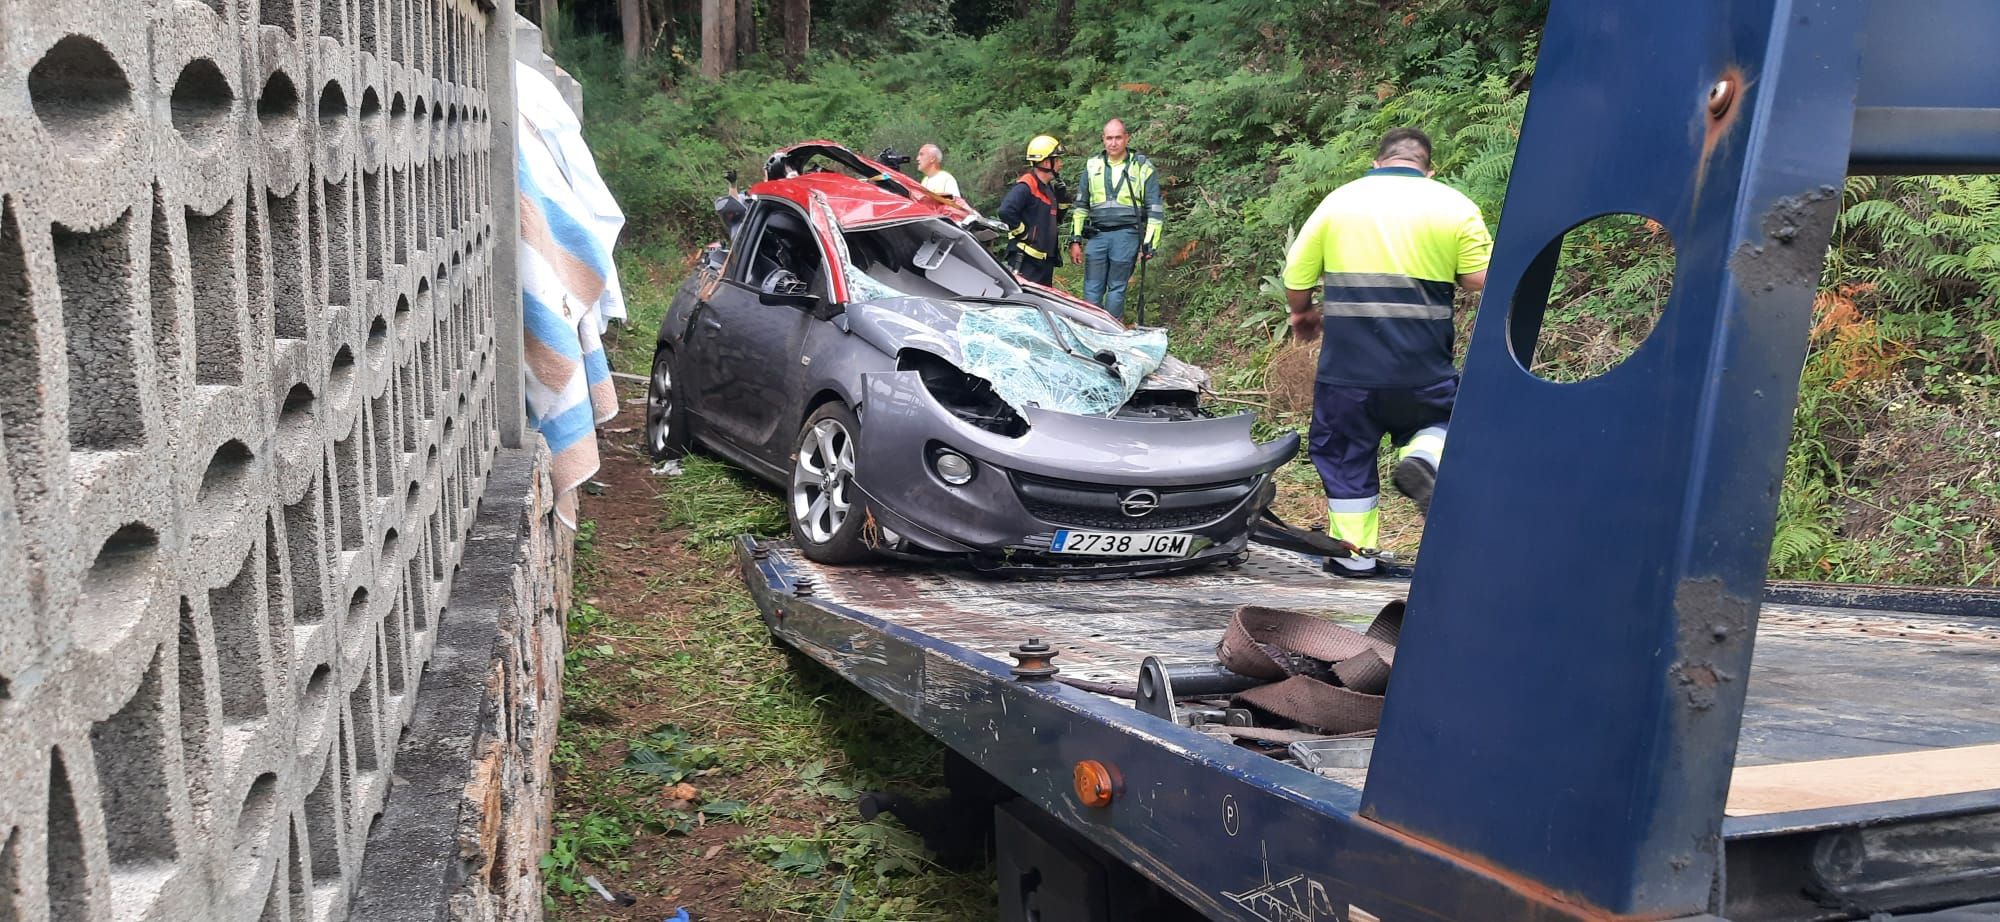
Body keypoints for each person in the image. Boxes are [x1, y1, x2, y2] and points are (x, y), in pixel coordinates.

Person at [1281, 127, 1492, 577]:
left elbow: (1296, 279)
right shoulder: (1454, 206)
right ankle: (1425, 456)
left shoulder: (1338, 202)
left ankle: (1355, 558)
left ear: (1377, 163)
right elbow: (1482, 278)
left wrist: (1302, 315)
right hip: (1422, 368)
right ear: (1428, 169)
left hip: (1347, 374)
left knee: (1343, 455)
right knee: (1445, 419)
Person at [1068, 119, 1163, 320]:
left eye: (1118, 137)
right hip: (1097, 235)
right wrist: (1075, 239)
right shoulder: (1092, 165)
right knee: (1092, 287)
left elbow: (1154, 210)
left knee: (1117, 288)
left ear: (1126, 138)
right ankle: (1090, 328)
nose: (1113, 143)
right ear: (1103, 139)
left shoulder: (1142, 167)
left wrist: (1149, 244)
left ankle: (1111, 332)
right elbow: (1080, 206)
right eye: (1109, 138)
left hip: (1127, 235)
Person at [997, 135, 1069, 286]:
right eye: (1056, 160)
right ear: (1045, 162)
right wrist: (1025, 234)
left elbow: (1054, 221)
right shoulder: (1026, 186)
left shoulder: (1047, 187)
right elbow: (1005, 211)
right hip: (1026, 261)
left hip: (1043, 260)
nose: (1060, 164)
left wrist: (1062, 201)